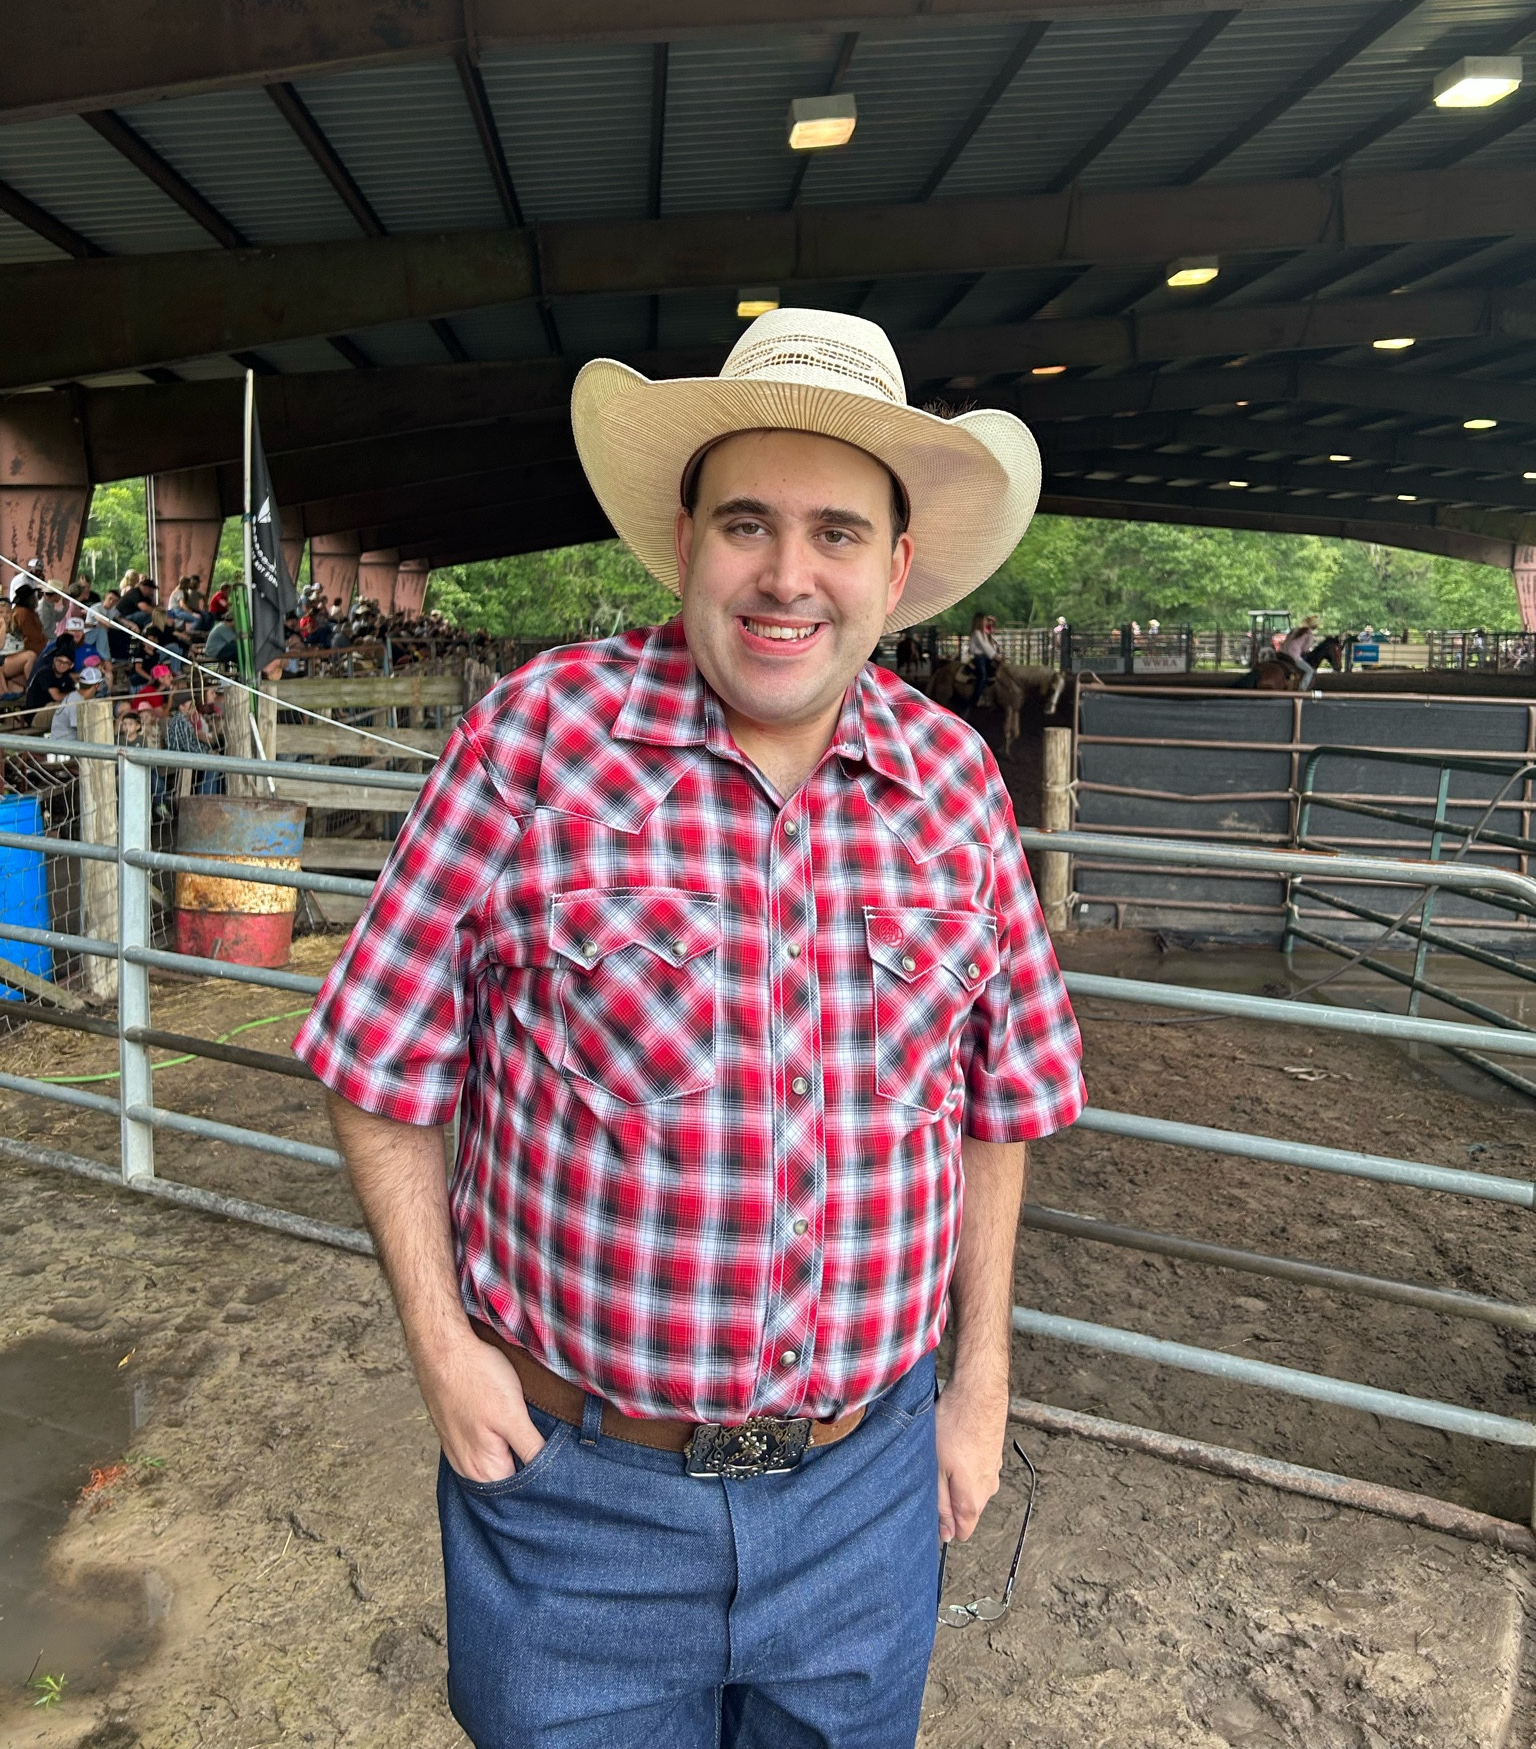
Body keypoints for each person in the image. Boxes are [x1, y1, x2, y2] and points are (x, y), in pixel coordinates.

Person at [297, 307, 1083, 1749]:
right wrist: (435, 1342)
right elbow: (377, 1054)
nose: (789, 575)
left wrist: (981, 1384)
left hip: (863, 1496)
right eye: (748, 524)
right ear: (684, 543)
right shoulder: (538, 740)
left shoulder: (959, 783)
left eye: (839, 532)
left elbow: (1003, 1098)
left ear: (897, 570)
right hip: (581, 1501)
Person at [22, 645, 77, 731]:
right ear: (54, 660)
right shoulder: (45, 673)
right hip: (36, 717)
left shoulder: (66, 677)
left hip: (51, 714)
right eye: (60, 661)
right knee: (60, 706)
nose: (62, 665)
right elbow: (57, 696)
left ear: (71, 665)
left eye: (66, 663)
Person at [965, 609, 999, 707]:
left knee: (994, 675)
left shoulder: (984, 633)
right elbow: (985, 646)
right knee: (983, 677)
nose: (986, 622)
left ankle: (989, 698)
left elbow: (990, 645)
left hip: (985, 658)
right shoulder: (977, 633)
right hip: (979, 658)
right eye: (984, 620)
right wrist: (995, 656)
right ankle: (975, 699)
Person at [0, 601, 36, 696]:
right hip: (3, 661)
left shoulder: (16, 629)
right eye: (1, 612)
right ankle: (31, 688)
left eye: (8, 612)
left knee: (19, 689)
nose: (5, 615)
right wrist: (3, 626)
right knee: (31, 655)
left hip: (15, 662)